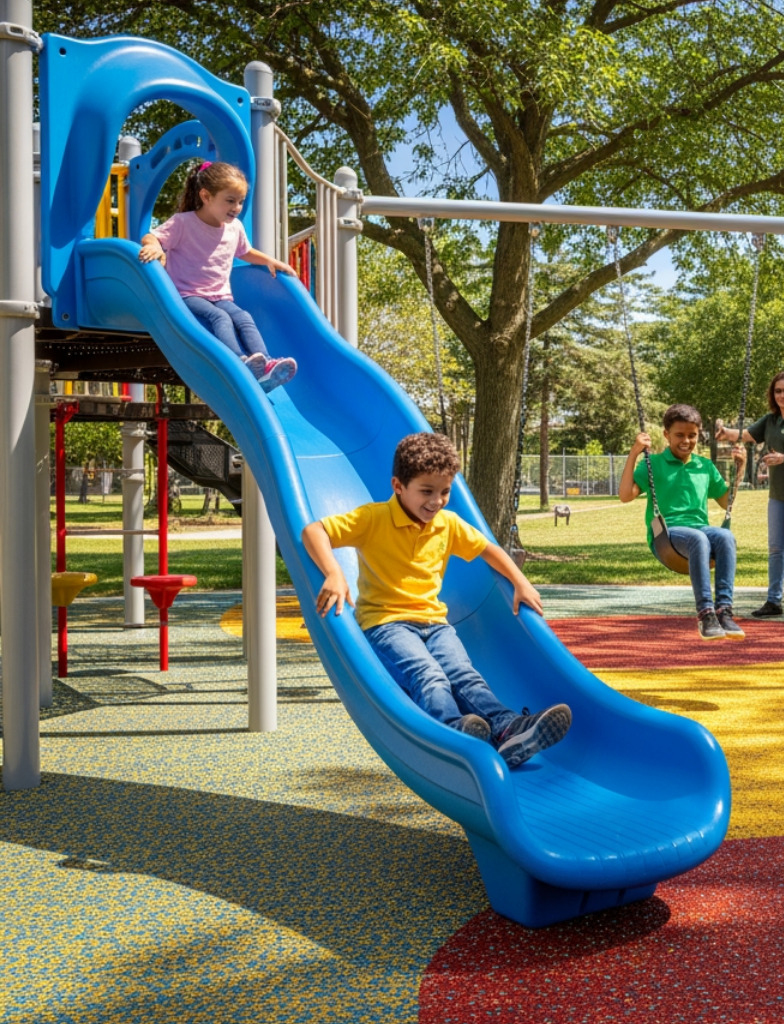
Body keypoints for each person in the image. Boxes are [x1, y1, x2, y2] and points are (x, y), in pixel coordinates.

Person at [301, 432, 570, 768]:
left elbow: (488, 549)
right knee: (429, 675)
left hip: (435, 624)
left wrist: (520, 581)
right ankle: (451, 732)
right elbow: (314, 531)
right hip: (386, 625)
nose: (437, 501)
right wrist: (333, 573)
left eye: (445, 491)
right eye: (426, 491)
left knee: (464, 674)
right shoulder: (373, 518)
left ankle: (507, 729)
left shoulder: (448, 524)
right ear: (398, 486)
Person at [138, 160, 299, 392]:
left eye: (240, 201)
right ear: (206, 196)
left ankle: (265, 363)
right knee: (220, 318)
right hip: (187, 294)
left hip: (220, 295)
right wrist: (154, 246)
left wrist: (269, 261)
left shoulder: (235, 228)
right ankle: (239, 361)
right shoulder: (183, 223)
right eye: (230, 201)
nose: (237, 207)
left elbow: (245, 251)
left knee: (243, 317)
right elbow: (152, 236)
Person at [620, 404, 748, 641]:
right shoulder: (653, 463)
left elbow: (725, 502)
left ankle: (724, 611)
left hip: (699, 529)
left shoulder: (704, 466)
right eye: (679, 435)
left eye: (692, 435)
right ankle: (706, 614)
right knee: (698, 538)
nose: (686, 441)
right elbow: (625, 495)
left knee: (725, 536)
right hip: (667, 535)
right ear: (666, 434)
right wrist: (634, 452)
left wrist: (741, 468)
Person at [715, 371, 784, 623]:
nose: (782, 395)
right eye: (778, 391)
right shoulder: (771, 420)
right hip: (778, 493)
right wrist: (725, 432)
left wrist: (783, 458)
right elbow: (746, 435)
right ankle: (774, 601)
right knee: (775, 548)